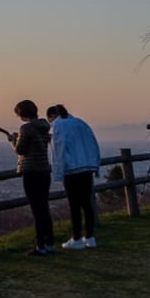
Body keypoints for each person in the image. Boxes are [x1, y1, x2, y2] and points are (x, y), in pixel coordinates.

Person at [47, 104, 101, 249]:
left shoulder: (58, 126)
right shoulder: (80, 123)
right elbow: (93, 143)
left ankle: (76, 238)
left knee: (74, 205)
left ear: (51, 116)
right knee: (86, 203)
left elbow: (59, 149)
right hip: (87, 167)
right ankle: (90, 237)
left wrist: (58, 172)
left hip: (71, 169)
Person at [8, 100, 54, 256]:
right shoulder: (44, 126)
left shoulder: (26, 128)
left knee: (36, 209)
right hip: (44, 171)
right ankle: (49, 243)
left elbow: (20, 150)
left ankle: (40, 245)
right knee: (44, 207)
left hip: (31, 172)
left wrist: (12, 140)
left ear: (22, 113)